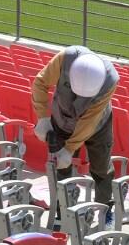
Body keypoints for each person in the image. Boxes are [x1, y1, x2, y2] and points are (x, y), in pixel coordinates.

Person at [31, 45, 119, 216]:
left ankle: (106, 211)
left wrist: (69, 149)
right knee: (62, 167)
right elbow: (40, 82)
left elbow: (89, 121)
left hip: (97, 124)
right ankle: (62, 212)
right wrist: (42, 118)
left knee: (101, 169)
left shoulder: (111, 80)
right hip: (62, 116)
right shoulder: (65, 58)